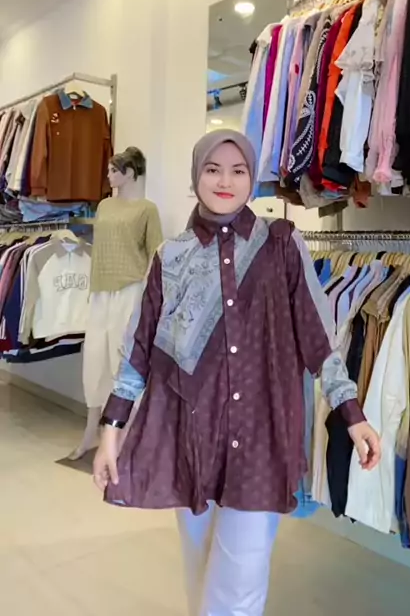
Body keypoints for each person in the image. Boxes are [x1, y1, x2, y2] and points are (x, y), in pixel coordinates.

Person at [93, 129, 380, 616]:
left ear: (251, 179)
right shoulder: (171, 256)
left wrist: (352, 414)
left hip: (261, 440)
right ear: (196, 177)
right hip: (191, 437)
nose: (225, 181)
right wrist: (111, 431)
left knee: (239, 585)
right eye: (212, 170)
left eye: (238, 170)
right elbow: (139, 349)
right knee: (200, 569)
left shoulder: (281, 244)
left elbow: (317, 336)